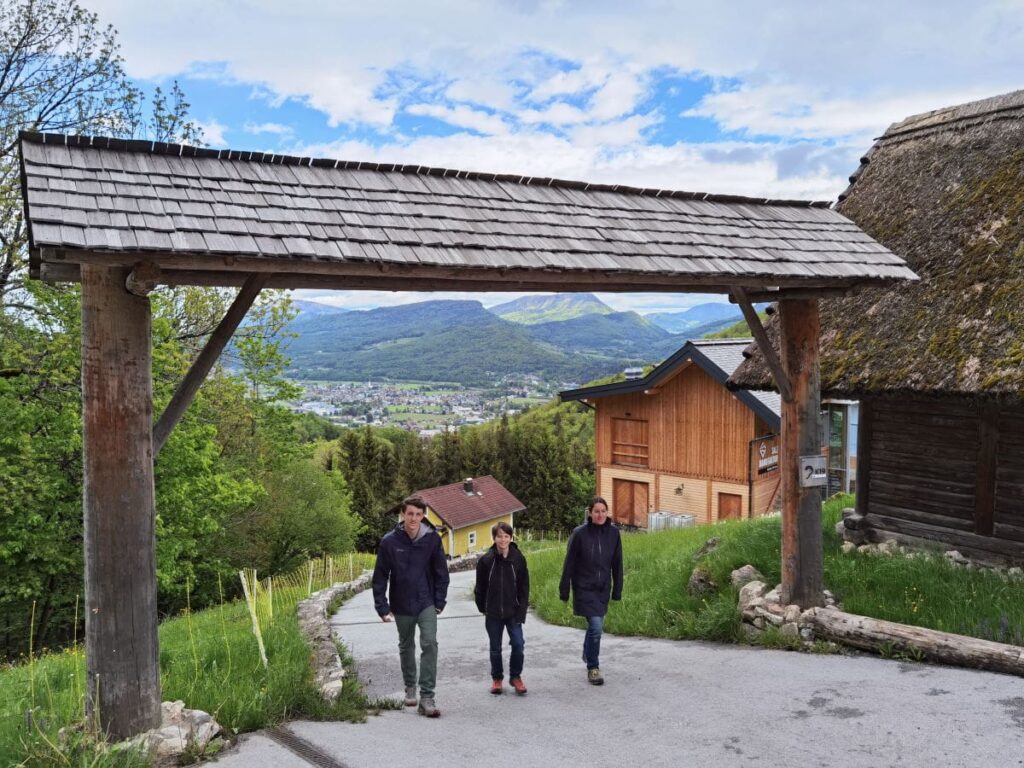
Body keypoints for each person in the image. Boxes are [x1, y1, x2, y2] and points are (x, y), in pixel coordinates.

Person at [372, 496, 450, 717]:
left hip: (426, 602)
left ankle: (427, 697)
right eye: (410, 514)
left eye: (418, 514)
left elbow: (441, 573)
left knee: (430, 643)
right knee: (406, 646)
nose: (413, 518)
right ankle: (410, 687)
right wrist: (382, 607)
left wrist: (439, 602)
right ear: (403, 515)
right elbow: (380, 576)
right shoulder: (390, 542)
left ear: (423, 515)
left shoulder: (432, 539)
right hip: (401, 603)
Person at [559, 496, 623, 685]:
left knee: (595, 627)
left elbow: (618, 563)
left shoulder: (613, 534)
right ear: (590, 513)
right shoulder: (579, 534)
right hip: (584, 588)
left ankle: (588, 652)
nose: (600, 514)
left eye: (603, 511)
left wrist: (617, 589)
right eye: (597, 511)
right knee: (596, 627)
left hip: (602, 588)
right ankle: (593, 668)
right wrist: (564, 590)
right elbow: (569, 563)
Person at [474, 521, 530, 695]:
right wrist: (483, 607)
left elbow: (524, 588)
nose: (503, 539)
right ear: (494, 538)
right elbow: (480, 587)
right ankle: (497, 678)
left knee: (518, 644)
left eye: (506, 536)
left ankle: (516, 677)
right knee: (495, 648)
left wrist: (521, 612)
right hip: (493, 613)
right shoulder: (486, 561)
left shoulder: (518, 559)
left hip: (513, 612)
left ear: (511, 537)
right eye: (499, 536)